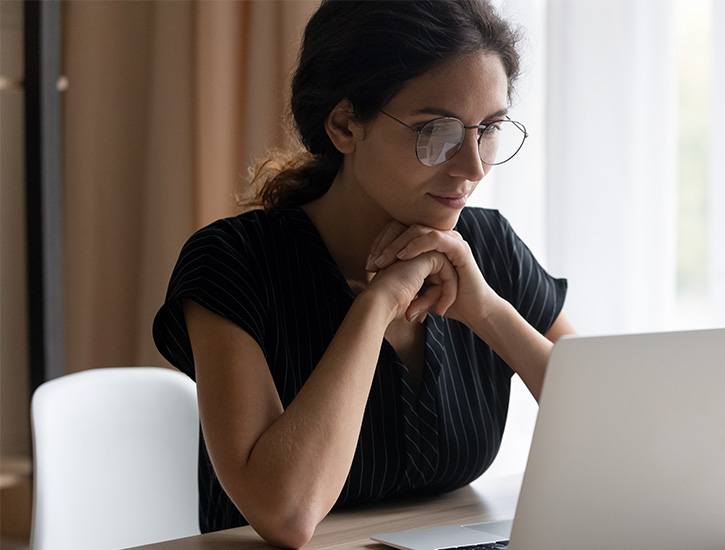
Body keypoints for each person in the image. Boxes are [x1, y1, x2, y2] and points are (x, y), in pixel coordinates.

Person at [152, 1, 572, 547]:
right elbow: (287, 514)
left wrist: (488, 311)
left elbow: (620, 433)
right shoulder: (234, 265)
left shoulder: (486, 247)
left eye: (488, 129)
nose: (472, 167)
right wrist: (375, 307)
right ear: (346, 125)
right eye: (436, 131)